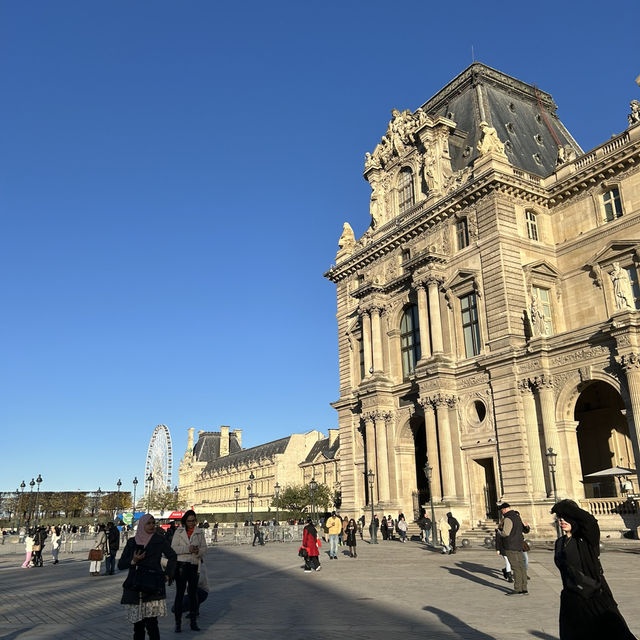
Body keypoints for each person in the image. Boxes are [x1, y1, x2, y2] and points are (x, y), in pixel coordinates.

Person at [552, 499, 636, 640]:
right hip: (571, 597)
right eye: (560, 518)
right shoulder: (559, 542)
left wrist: (565, 507)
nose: (562, 521)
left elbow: (590, 521)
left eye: (566, 518)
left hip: (593, 594)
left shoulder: (586, 539)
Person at [118, 513, 177, 640]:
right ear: (141, 525)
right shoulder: (132, 542)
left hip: (152, 585)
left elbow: (172, 556)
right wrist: (133, 560)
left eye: (153, 523)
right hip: (135, 586)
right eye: (148, 523)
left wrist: (168, 574)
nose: (151, 526)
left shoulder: (159, 540)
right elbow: (121, 564)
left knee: (152, 625)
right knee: (138, 626)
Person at [171, 510, 207, 632]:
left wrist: (198, 551)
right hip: (181, 566)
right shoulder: (179, 531)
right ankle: (178, 623)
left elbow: (204, 549)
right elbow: (173, 548)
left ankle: (193, 621)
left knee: (193, 594)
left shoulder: (199, 533)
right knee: (180, 594)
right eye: (189, 521)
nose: (191, 523)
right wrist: (188, 548)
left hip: (193, 565)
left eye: (193, 521)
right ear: (185, 521)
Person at [496, 502, 527, 595]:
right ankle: (524, 588)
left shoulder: (508, 518)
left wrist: (498, 532)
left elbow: (506, 533)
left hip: (510, 546)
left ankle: (518, 589)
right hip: (518, 545)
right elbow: (523, 530)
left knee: (515, 567)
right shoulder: (517, 517)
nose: (502, 512)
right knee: (521, 567)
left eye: (502, 511)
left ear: (504, 509)